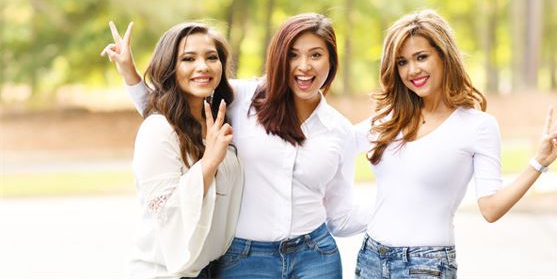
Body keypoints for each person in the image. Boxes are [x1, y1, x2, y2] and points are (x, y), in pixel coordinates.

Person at [105, 14, 369, 279]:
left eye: (316, 55)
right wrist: (130, 75)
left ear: (331, 61)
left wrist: (391, 213)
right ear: (279, 57)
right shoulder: (242, 98)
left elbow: (340, 214)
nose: (304, 66)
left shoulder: (339, 130)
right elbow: (175, 109)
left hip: (315, 257)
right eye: (292, 55)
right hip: (245, 259)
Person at [353, 10, 557, 279]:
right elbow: (333, 143)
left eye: (421, 57)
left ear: (444, 57)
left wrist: (539, 163)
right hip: (371, 258)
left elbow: (491, 209)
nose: (412, 70)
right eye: (402, 62)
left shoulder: (477, 126)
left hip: (425, 265)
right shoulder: (389, 119)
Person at [102, 22, 243, 278]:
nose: (203, 66)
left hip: (213, 269)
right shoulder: (158, 129)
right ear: (169, 68)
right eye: (188, 59)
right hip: (162, 272)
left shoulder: (218, 120)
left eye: (211, 57)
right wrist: (209, 162)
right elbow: (167, 212)